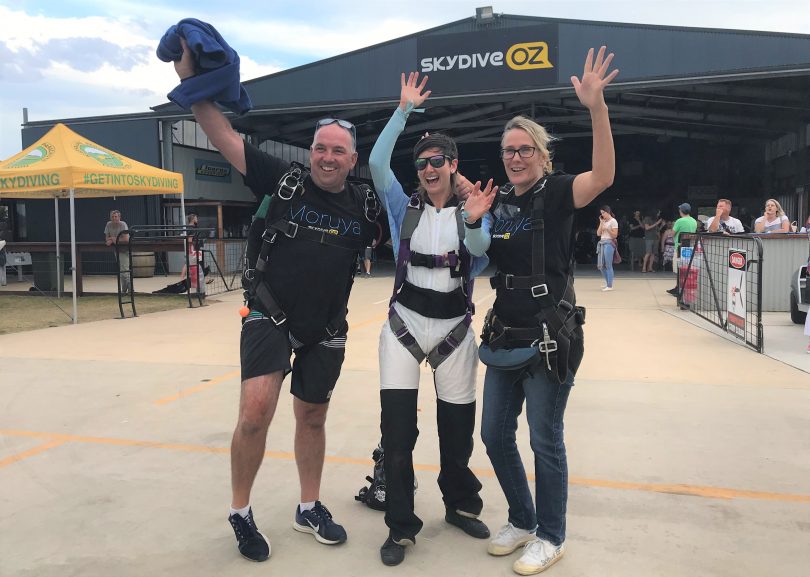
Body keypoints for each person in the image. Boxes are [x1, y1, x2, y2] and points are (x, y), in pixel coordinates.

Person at [169, 37, 378, 562]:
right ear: (311, 151)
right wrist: (194, 79)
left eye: (338, 150)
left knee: (311, 418)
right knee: (256, 412)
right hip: (270, 313)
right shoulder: (281, 180)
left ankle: (309, 507)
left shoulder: (363, 204)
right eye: (320, 147)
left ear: (353, 159)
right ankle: (240, 511)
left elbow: (427, 203)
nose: (327, 157)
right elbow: (218, 132)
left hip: (327, 326)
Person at [463, 46, 618, 575]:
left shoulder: (557, 192)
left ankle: (551, 535)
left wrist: (596, 107)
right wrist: (471, 220)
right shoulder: (498, 199)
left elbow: (602, 176)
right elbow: (479, 254)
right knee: (493, 434)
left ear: (542, 154)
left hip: (551, 336)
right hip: (506, 333)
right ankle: (523, 518)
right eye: (508, 150)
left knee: (544, 439)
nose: (515, 156)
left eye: (525, 149)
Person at [369, 72, 493, 566]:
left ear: (453, 165)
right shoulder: (404, 208)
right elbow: (377, 162)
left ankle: (460, 505)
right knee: (397, 436)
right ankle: (400, 526)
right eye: (422, 163)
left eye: (438, 161)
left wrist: (476, 218)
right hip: (403, 329)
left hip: (455, 333)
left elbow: (482, 251)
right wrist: (403, 111)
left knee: (456, 432)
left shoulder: (477, 210)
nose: (428, 168)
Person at [666, 203, 698, 296]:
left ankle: (679, 288)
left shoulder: (679, 221)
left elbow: (672, 233)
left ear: (681, 211)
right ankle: (680, 287)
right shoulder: (694, 221)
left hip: (679, 247)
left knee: (679, 268)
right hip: (690, 247)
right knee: (686, 268)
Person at [104, 209, 131, 294]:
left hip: (125, 249)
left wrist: (112, 239)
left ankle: (130, 290)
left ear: (119, 217)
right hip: (117, 249)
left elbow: (126, 239)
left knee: (125, 269)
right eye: (112, 216)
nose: (114, 218)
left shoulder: (123, 224)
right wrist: (114, 240)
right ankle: (124, 290)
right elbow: (106, 239)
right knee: (121, 270)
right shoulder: (108, 224)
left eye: (116, 216)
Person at [596, 206, 619, 291]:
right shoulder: (603, 221)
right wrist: (601, 223)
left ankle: (609, 285)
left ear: (607, 212)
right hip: (602, 242)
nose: (602, 214)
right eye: (601, 213)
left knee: (608, 265)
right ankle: (607, 283)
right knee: (601, 266)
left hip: (609, 243)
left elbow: (615, 235)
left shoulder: (613, 221)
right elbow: (598, 233)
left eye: (603, 213)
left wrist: (607, 229)